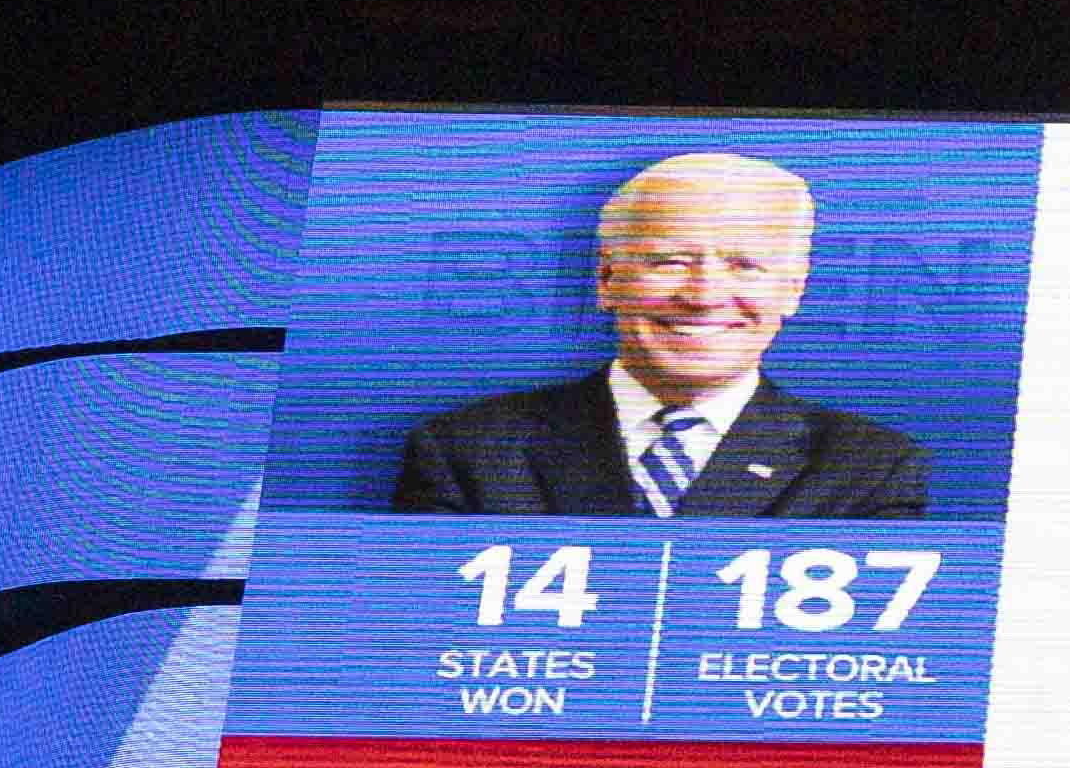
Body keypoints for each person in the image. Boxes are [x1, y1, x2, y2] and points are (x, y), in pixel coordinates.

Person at [387, 151, 932, 519]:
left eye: (744, 265)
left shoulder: (868, 468)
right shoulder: (467, 451)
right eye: (670, 261)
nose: (703, 296)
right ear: (607, 279)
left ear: (792, 289)